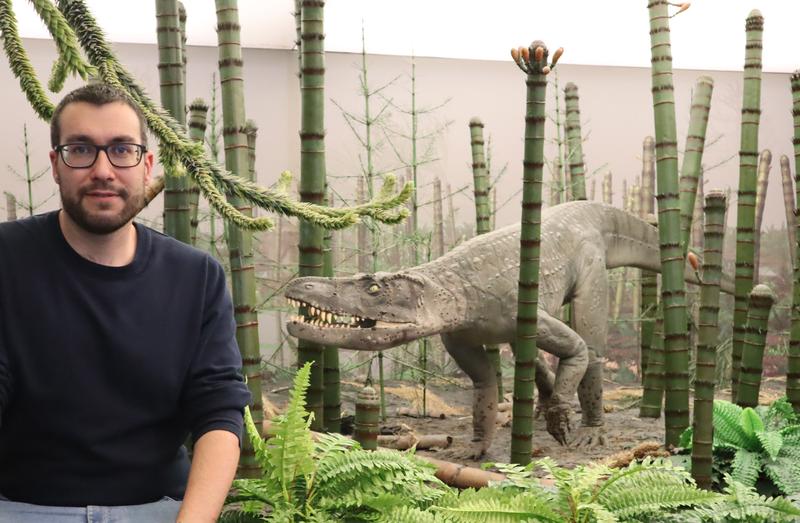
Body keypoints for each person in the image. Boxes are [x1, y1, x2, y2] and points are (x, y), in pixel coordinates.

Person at [0, 83, 252, 522]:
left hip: (158, 510)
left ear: (146, 165)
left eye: (121, 150)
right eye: (81, 150)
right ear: (56, 165)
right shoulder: (6, 260)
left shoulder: (196, 277)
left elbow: (219, 412)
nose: (102, 169)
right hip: (24, 508)